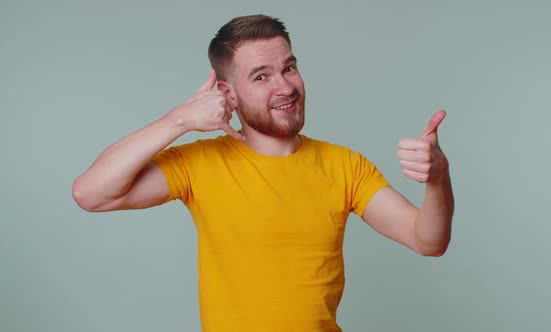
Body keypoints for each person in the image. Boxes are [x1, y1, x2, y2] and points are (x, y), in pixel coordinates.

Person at [72, 14, 454, 332]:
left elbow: (428, 240)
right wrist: (179, 120)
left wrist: (438, 177)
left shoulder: (346, 166)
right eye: (261, 76)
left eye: (289, 68)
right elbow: (91, 193)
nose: (285, 87)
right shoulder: (200, 163)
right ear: (228, 94)